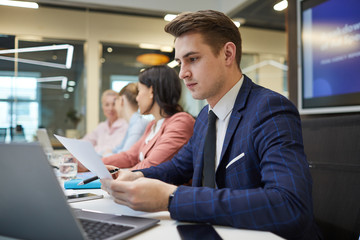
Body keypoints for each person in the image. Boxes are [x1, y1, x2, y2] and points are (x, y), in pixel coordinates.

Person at [101, 10, 321, 240]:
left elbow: (289, 205)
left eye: (193, 59)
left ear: (227, 54)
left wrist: (172, 198)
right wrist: (135, 175)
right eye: (179, 62)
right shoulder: (206, 116)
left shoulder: (270, 109)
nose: (183, 73)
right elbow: (177, 168)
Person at [102, 65, 195, 170]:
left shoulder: (181, 122)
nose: (137, 98)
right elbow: (130, 157)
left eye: (139, 91)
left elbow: (150, 165)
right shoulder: (153, 125)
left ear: (151, 91)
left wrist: (121, 174)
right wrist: (93, 165)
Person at [102, 82, 149, 157]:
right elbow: (117, 149)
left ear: (121, 100)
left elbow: (125, 156)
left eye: (115, 102)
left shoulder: (138, 124)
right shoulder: (132, 123)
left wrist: (107, 154)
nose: (113, 107)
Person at [82, 89, 128, 155]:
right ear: (102, 106)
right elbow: (85, 142)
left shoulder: (126, 126)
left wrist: (94, 149)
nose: (110, 108)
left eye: (114, 104)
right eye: (107, 105)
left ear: (119, 105)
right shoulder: (101, 127)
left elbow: (114, 150)